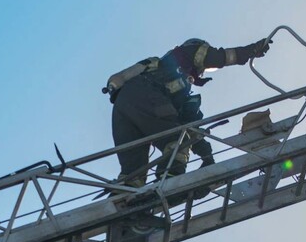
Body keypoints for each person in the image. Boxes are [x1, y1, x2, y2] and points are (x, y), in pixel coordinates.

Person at [109, 38, 271, 188]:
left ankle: (123, 202)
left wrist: (206, 155)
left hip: (122, 106)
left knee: (134, 170)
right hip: (147, 95)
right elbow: (218, 57)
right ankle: (170, 183)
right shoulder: (188, 52)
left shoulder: (160, 73)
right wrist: (249, 51)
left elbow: (190, 126)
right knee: (178, 142)